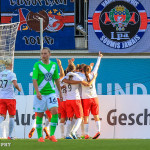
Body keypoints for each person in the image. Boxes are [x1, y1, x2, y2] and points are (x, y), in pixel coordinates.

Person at [32, 47, 63, 142]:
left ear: (49, 54)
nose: (43, 55)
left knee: (55, 111)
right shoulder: (37, 65)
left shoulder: (54, 65)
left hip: (51, 93)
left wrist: (60, 92)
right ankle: (40, 137)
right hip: (40, 94)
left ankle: (52, 135)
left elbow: (57, 79)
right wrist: (37, 92)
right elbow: (34, 79)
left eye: (45, 53)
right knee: (40, 115)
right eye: (42, 54)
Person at [81, 52, 103, 139]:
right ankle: (98, 131)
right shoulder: (93, 74)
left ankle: (86, 134)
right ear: (90, 70)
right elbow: (97, 66)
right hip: (94, 98)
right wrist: (99, 57)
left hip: (86, 99)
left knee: (86, 117)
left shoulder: (81, 77)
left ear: (83, 70)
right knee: (96, 116)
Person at [0, 59, 21, 139]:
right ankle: (10, 136)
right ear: (11, 65)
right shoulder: (11, 74)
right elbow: (15, 84)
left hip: (1, 97)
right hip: (9, 98)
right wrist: (18, 89)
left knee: (2, 116)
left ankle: (9, 135)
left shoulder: (1, 74)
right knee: (11, 116)